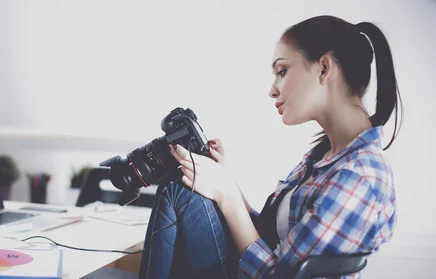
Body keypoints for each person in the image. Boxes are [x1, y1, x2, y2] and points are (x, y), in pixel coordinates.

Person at [138, 15, 402, 279]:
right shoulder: (325, 157)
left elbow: (279, 275)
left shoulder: (359, 177)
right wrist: (225, 183)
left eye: (282, 71)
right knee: (184, 188)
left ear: (324, 68)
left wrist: (228, 195)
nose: (272, 90)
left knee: (178, 192)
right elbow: (269, 239)